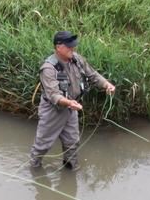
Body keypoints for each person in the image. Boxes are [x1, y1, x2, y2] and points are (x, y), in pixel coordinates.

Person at [29, 31, 115, 170]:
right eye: (69, 46)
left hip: (71, 108)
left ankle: (70, 171)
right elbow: (54, 95)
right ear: (58, 47)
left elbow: (92, 74)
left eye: (73, 46)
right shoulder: (48, 69)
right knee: (42, 145)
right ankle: (34, 170)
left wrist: (106, 84)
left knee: (72, 142)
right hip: (52, 111)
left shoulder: (77, 59)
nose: (72, 49)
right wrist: (68, 102)